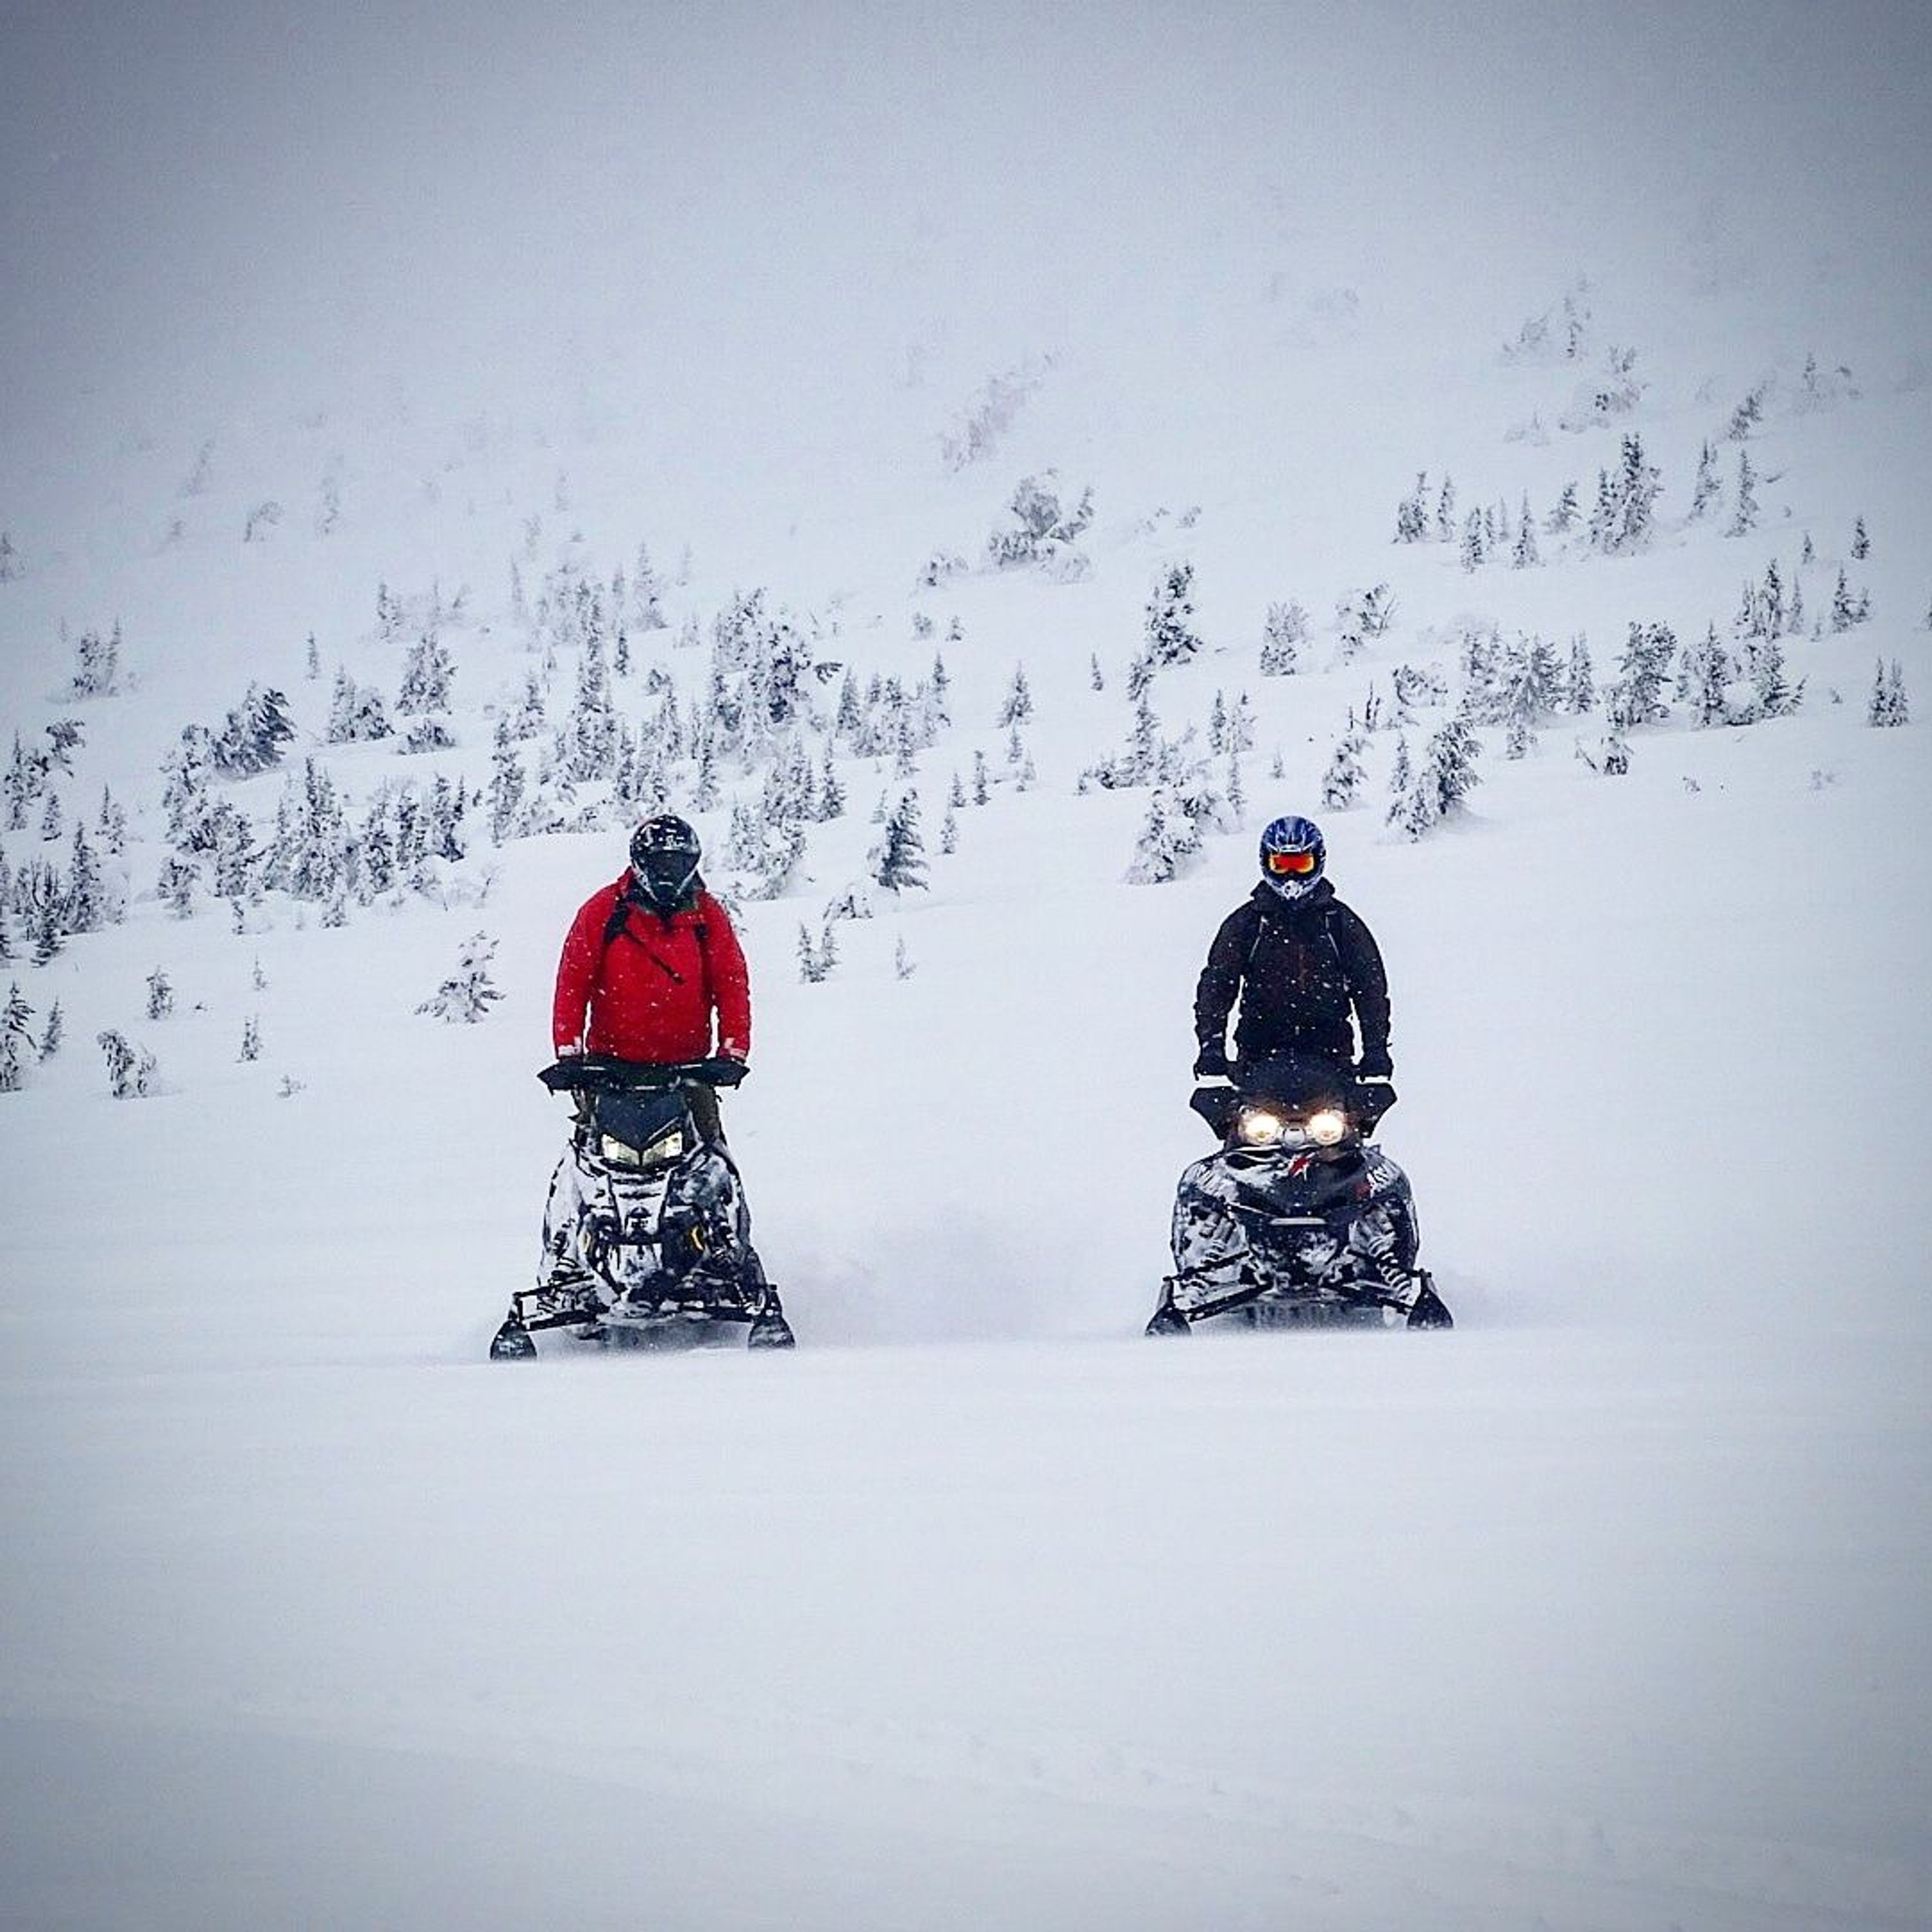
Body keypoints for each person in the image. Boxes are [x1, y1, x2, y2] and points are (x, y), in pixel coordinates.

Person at [492, 815, 769, 1357]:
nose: (670, 875)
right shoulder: (604, 911)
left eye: (680, 864)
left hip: (687, 1072)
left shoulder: (707, 918)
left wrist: (732, 1052)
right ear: (639, 864)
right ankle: (566, 1262)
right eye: (661, 864)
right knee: (582, 1167)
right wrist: (569, 1055)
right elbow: (573, 980)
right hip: (611, 1070)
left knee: (712, 1161)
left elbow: (732, 981)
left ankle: (727, 1254)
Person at [1192, 813, 1393, 1089]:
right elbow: (1217, 986)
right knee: (1239, 1128)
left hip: (1330, 1057)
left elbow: (1369, 987)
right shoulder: (1248, 924)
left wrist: (1376, 1050)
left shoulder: (1340, 924)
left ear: (1317, 862)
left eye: (1300, 864)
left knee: (1349, 1129)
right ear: (1267, 863)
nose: (1291, 875)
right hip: (1259, 1057)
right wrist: (1211, 1047)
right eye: (1282, 864)